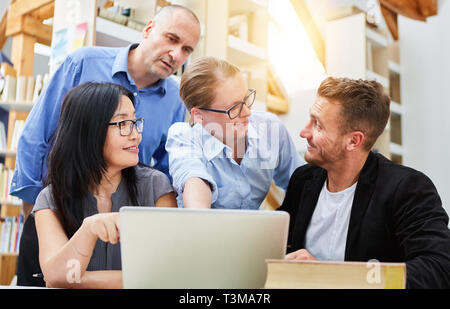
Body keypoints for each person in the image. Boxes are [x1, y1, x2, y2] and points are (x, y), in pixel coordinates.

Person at [10, 5, 201, 219]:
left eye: (187, 49)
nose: (176, 54)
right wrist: (34, 206)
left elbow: (167, 167)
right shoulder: (83, 64)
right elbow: (36, 135)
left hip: (123, 221)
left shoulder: (175, 98)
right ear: (148, 29)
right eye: (171, 39)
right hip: (59, 209)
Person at [278, 76, 450, 288]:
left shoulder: (408, 188)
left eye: (318, 125)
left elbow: (438, 268)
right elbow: (279, 245)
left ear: (353, 141)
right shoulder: (303, 179)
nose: (304, 132)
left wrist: (331, 276)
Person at [33, 82, 176, 288]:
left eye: (135, 122)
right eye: (122, 124)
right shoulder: (50, 199)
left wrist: (82, 280)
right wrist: (88, 229)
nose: (136, 134)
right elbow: (57, 276)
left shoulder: (156, 186)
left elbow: (166, 274)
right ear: (88, 130)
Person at [166, 57, 303, 209]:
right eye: (234, 108)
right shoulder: (184, 136)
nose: (247, 112)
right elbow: (195, 187)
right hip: (206, 230)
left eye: (246, 99)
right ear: (199, 115)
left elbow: (302, 184)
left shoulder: (270, 128)